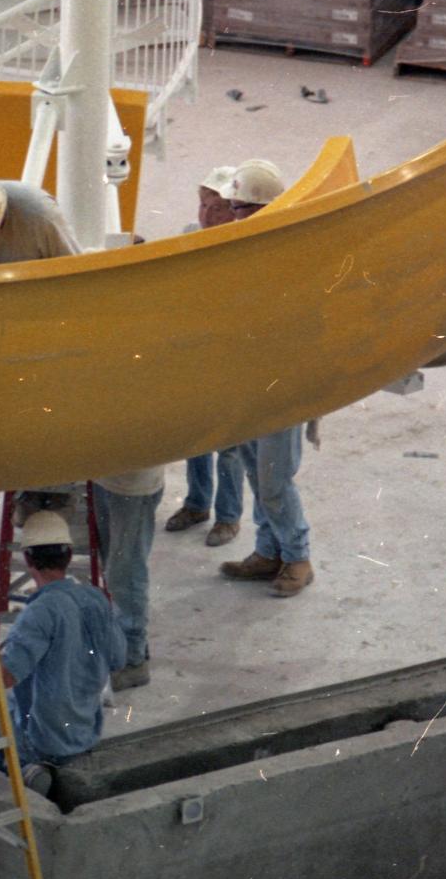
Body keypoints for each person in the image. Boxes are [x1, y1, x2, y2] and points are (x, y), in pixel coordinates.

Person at [0, 511, 125, 789]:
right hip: (83, 732)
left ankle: (20, 768)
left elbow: (1, 679)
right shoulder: (95, 599)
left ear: (28, 559)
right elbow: (118, 659)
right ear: (68, 556)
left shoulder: (39, 613)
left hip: (43, 741)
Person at [216, 159, 316, 599]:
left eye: (238, 208)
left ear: (260, 210)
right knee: (256, 474)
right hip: (249, 383)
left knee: (274, 479)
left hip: (281, 389)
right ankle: (268, 550)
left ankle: (298, 558)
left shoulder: (288, 258)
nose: (230, 215)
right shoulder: (247, 251)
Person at [164, 163, 245, 546]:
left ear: (234, 210)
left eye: (216, 208)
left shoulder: (242, 246)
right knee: (195, 439)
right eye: (202, 206)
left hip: (228, 358)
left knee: (228, 444)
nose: (206, 215)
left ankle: (228, 517)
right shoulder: (188, 237)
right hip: (193, 354)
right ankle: (197, 504)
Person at [93, 464, 163, 690]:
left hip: (134, 485)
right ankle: (131, 648)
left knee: (126, 575)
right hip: (105, 476)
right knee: (115, 570)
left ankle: (133, 661)